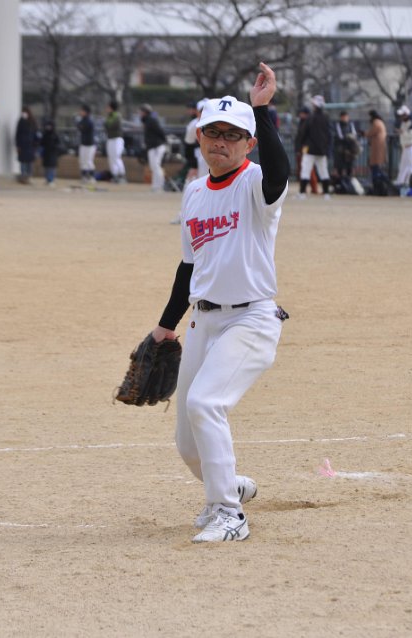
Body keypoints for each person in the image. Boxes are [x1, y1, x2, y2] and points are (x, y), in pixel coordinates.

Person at [148, 62, 290, 543]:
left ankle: (229, 514)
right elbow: (189, 267)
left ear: (249, 143)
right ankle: (230, 486)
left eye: (233, 135)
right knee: (187, 443)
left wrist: (262, 109)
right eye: (213, 133)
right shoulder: (193, 192)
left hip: (251, 318)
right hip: (202, 322)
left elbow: (279, 173)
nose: (221, 142)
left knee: (206, 403)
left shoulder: (256, 184)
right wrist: (165, 326)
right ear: (200, 137)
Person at [296, 95, 332, 200]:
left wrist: (300, 146)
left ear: (315, 105)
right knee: (323, 171)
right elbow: (329, 135)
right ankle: (326, 193)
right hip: (322, 150)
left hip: (310, 149)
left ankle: (302, 193)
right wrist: (327, 148)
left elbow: (303, 133)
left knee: (305, 170)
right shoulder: (326, 118)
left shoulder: (310, 118)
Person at [140, 103, 168, 192]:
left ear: (146, 112)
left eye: (142, 111)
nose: (140, 113)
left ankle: (160, 185)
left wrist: (164, 142)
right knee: (153, 166)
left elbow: (160, 131)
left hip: (157, 146)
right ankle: (155, 185)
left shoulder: (152, 120)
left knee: (156, 165)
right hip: (151, 147)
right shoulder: (147, 120)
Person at [394, 105, 412, 188]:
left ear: (406, 114)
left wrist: (402, 132)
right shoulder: (405, 122)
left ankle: (410, 182)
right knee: (403, 165)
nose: (401, 117)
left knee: (411, 165)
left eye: (402, 115)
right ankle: (400, 181)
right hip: (406, 146)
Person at [333, 110, 360, 193]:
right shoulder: (338, 125)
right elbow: (340, 136)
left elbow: (354, 135)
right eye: (343, 117)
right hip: (341, 148)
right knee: (340, 167)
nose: (345, 118)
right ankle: (340, 184)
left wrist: (349, 139)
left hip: (350, 149)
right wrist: (348, 138)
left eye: (346, 117)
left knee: (350, 166)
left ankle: (349, 184)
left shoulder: (351, 125)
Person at [365, 110, 389, 194]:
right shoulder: (380, 122)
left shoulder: (376, 122)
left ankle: (377, 186)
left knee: (375, 167)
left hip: (377, 148)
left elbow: (370, 133)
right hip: (379, 147)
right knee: (378, 167)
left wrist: (364, 133)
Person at [104, 100, 126, 183]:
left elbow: (112, 126)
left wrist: (107, 125)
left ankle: (121, 175)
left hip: (117, 139)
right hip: (110, 138)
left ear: (111, 107)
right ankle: (114, 175)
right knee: (111, 157)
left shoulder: (117, 115)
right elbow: (106, 126)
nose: (107, 108)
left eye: (108, 107)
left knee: (116, 157)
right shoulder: (109, 116)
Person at [15, 106, 38, 184]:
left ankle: (28, 176)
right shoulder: (21, 121)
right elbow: (17, 134)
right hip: (22, 145)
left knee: (29, 162)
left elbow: (35, 134)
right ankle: (23, 176)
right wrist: (18, 145)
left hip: (30, 145)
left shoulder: (32, 122)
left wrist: (35, 144)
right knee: (23, 161)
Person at [76, 104, 97, 184]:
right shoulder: (82, 120)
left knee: (88, 161)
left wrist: (80, 125)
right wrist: (79, 125)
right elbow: (79, 126)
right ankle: (84, 176)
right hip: (83, 143)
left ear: (86, 112)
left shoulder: (89, 120)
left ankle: (91, 177)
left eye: (82, 110)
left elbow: (83, 127)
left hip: (90, 144)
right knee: (82, 160)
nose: (80, 112)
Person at [39, 119, 62, 187]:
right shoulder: (45, 134)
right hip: (46, 153)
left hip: (53, 153)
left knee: (52, 167)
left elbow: (58, 144)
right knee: (46, 167)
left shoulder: (55, 135)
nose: (48, 127)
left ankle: (51, 180)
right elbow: (42, 143)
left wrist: (54, 148)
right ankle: (47, 179)